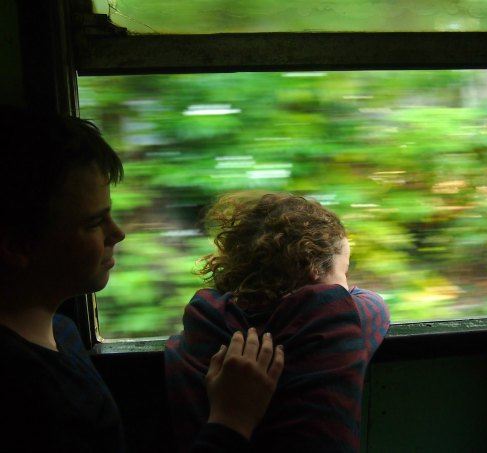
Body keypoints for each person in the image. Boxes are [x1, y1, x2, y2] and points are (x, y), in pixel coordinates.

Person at [0, 106, 284, 452]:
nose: (117, 233)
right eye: (93, 223)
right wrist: (231, 421)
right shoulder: (27, 396)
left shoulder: (62, 332)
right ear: (17, 244)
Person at [165, 192, 391, 452]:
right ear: (314, 271)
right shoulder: (333, 321)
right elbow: (374, 304)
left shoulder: (204, 322)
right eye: (344, 272)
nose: (347, 286)